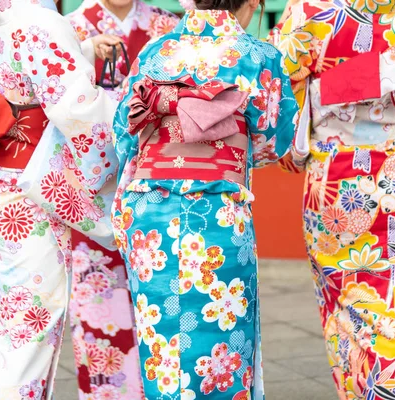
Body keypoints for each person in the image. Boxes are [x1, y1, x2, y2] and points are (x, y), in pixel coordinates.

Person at [111, 0, 300, 397]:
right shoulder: (259, 56)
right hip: (217, 212)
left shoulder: (155, 51)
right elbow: (275, 140)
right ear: (251, 3)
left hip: (149, 212)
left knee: (162, 345)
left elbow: (123, 134)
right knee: (223, 337)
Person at [270, 1, 395, 399]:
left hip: (337, 181)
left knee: (342, 303)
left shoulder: (309, 11)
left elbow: (279, 83)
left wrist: (296, 148)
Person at [0, 0, 124, 397]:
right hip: (28, 198)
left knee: (5, 326)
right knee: (30, 332)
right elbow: (79, 112)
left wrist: (85, 48)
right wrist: (124, 112)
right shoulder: (43, 23)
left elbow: (23, 78)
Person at [64, 2, 179, 398]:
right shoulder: (69, 29)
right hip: (93, 193)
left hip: (158, 188)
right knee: (99, 311)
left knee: (165, 306)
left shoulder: (167, 24)